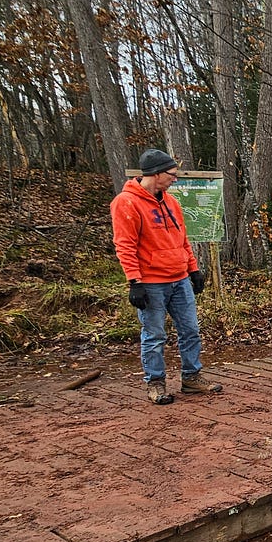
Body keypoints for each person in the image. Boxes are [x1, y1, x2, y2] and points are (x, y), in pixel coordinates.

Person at [110, 149, 223, 405]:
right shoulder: (126, 202)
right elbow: (125, 245)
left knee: (191, 330)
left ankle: (191, 377)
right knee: (155, 335)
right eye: (171, 174)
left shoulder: (171, 202)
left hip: (179, 279)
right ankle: (156, 383)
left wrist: (193, 269)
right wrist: (134, 281)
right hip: (151, 283)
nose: (175, 179)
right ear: (156, 173)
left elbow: (182, 239)